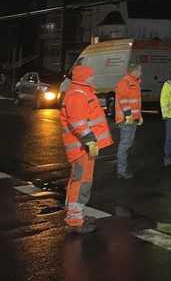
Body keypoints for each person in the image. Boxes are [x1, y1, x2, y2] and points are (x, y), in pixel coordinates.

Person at [60, 65, 113, 234]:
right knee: (80, 181)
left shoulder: (82, 92)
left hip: (85, 146)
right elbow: (78, 122)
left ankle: (78, 214)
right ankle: (75, 220)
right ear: (84, 77)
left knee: (83, 181)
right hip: (82, 147)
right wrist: (90, 141)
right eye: (91, 75)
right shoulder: (78, 95)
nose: (93, 78)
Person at [114, 63, 143, 179]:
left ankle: (121, 168)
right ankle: (121, 170)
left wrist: (139, 116)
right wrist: (128, 115)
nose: (141, 73)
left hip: (132, 119)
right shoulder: (125, 83)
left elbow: (136, 102)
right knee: (125, 144)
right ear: (134, 71)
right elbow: (123, 100)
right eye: (140, 70)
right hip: (126, 119)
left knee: (128, 143)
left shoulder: (134, 82)